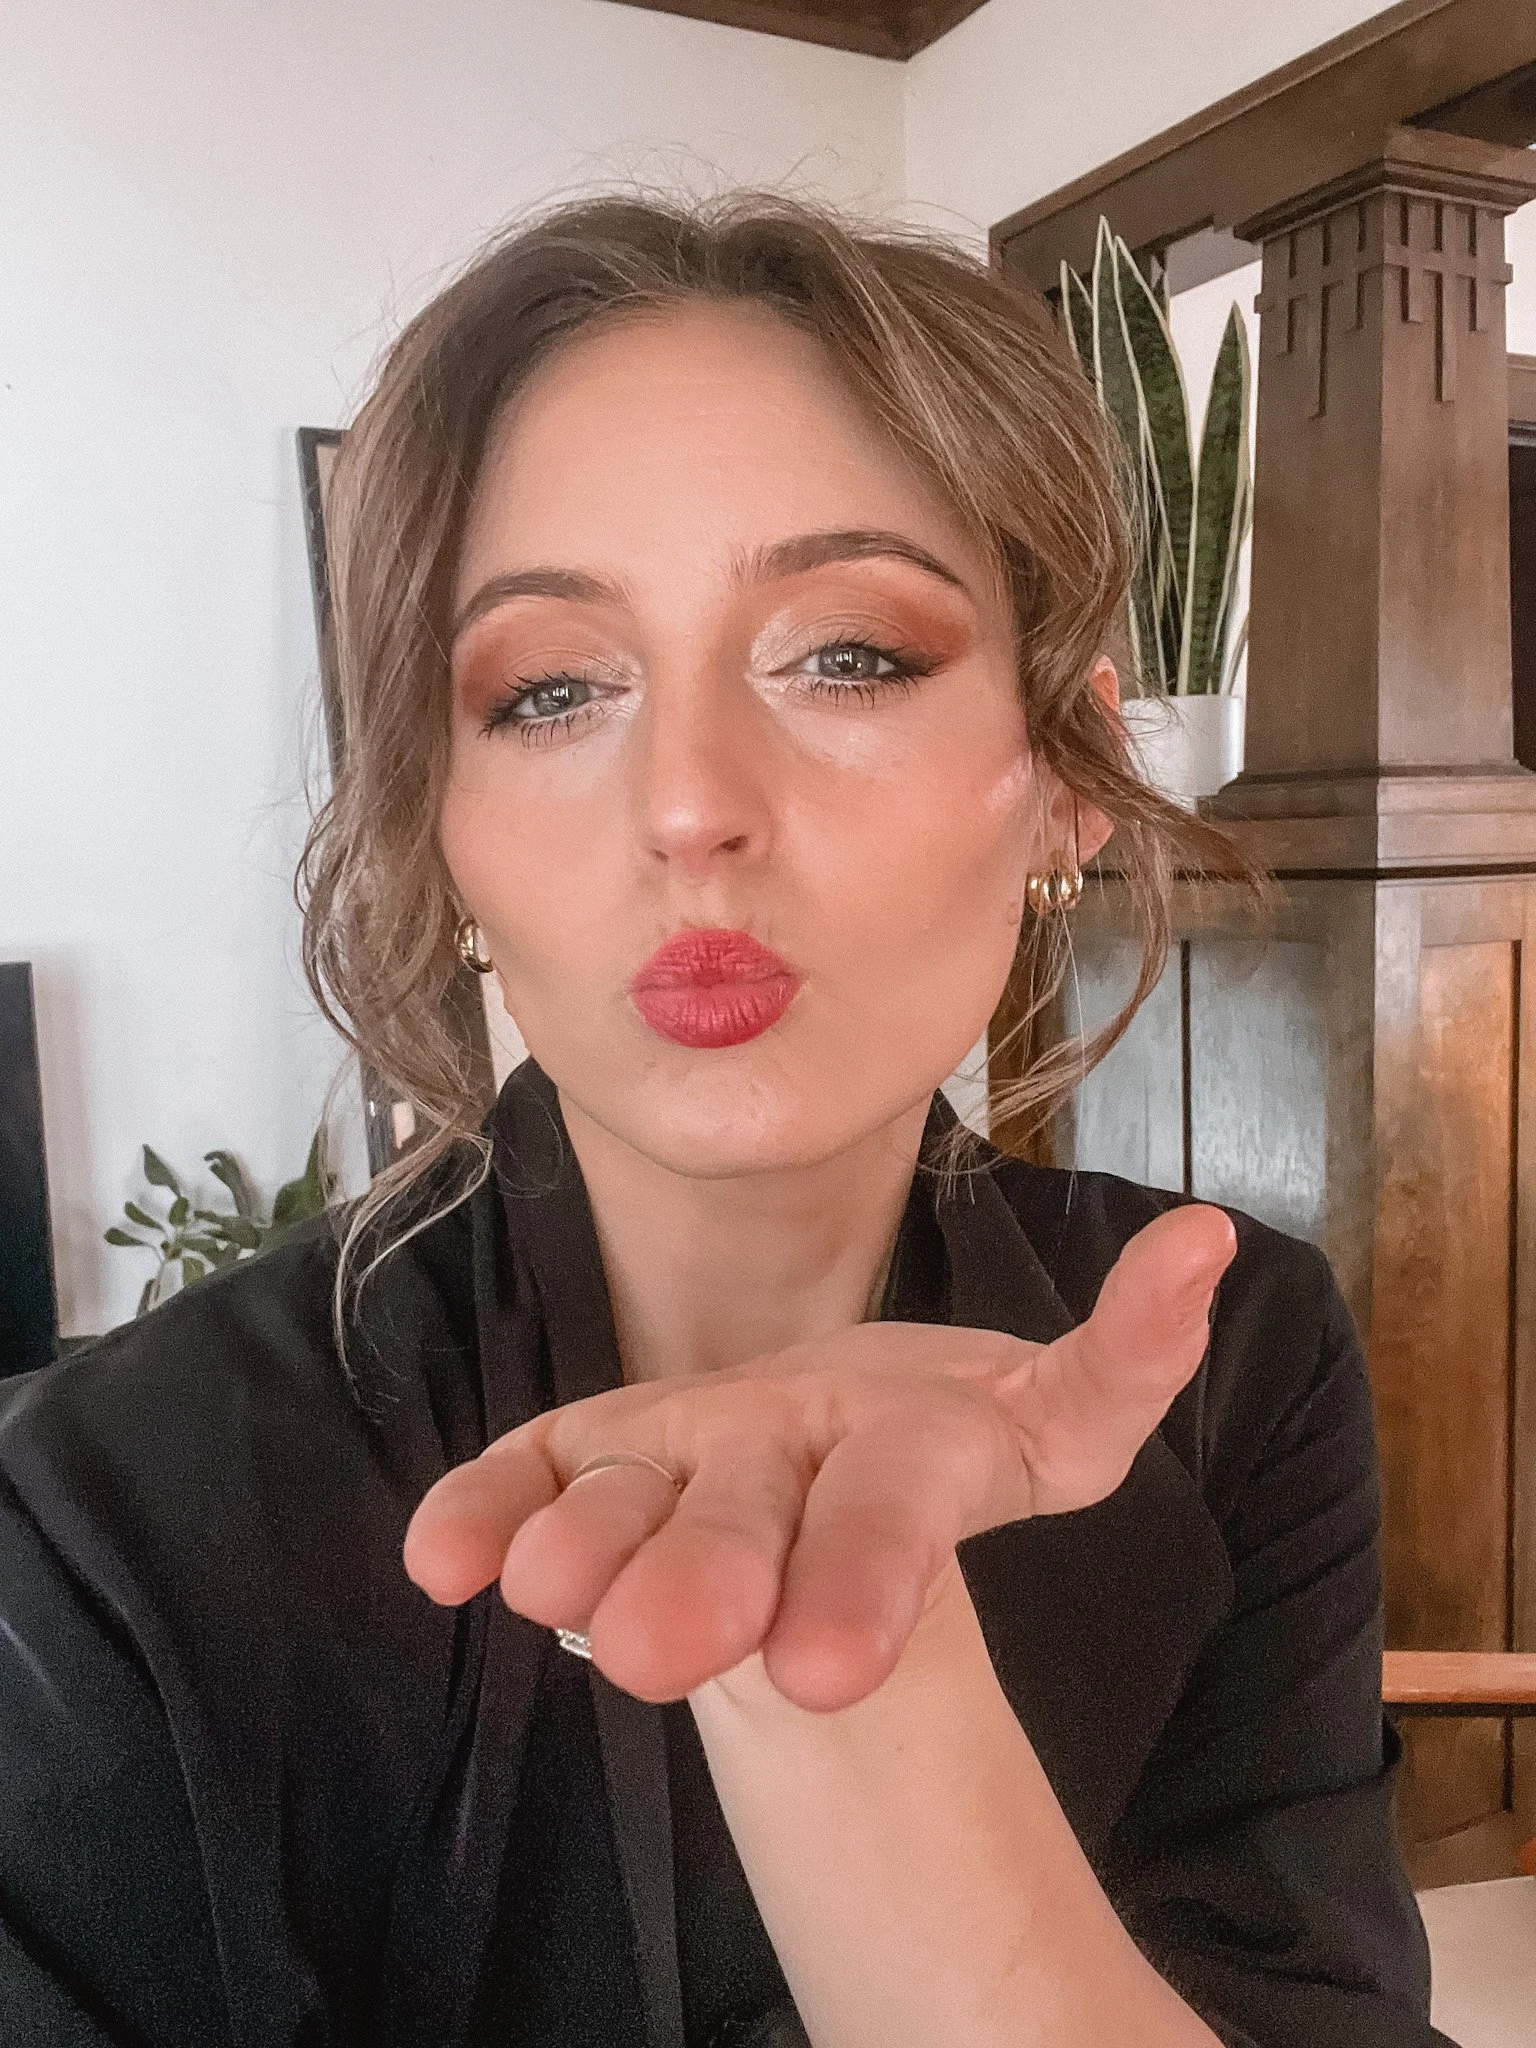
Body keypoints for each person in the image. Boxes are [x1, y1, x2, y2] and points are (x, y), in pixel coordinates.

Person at [0, 189, 1451, 2048]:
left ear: (1070, 783)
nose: (689, 802)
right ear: (439, 839)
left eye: (847, 655)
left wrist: (869, 1709)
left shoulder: (1223, 1356)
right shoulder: (110, 1521)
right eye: (549, 691)